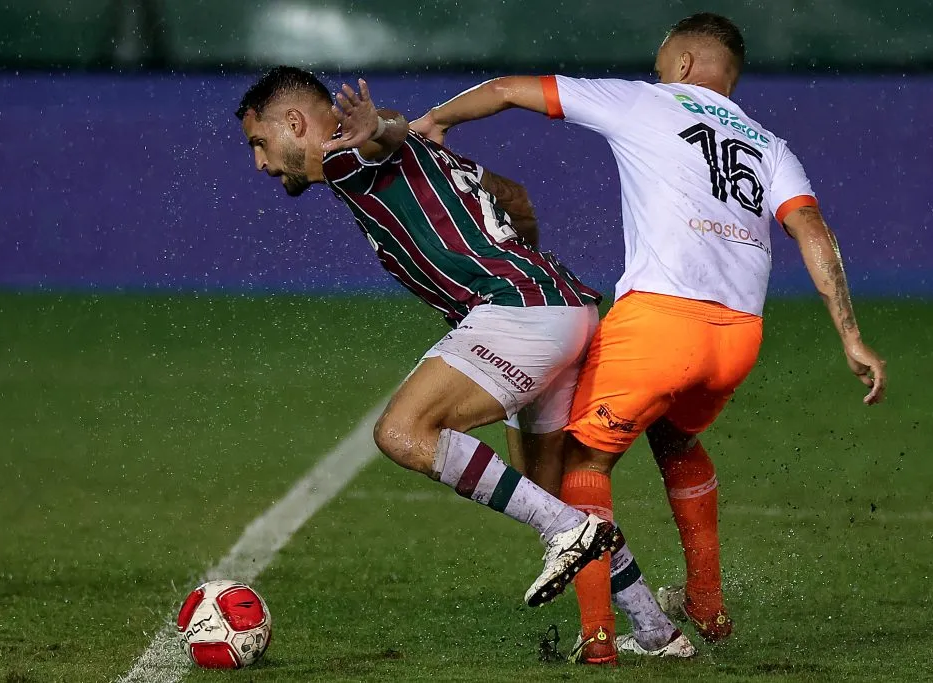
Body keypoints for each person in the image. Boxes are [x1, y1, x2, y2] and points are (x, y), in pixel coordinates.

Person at [412, 12, 888, 665]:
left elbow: (506, 89)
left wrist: (435, 120)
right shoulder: (770, 146)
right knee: (676, 438)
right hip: (738, 339)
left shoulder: (645, 101)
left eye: (663, 60)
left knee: (581, 463)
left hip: (660, 326)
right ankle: (707, 603)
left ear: (685, 63)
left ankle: (599, 636)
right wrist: (851, 335)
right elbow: (812, 229)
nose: (657, 70)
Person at [234, 65, 634, 618]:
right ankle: (657, 630)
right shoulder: (425, 150)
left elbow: (383, 135)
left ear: (296, 123)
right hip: (564, 307)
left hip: (520, 312)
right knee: (548, 488)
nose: (260, 163)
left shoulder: (347, 152)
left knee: (402, 432)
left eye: (259, 142)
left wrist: (380, 128)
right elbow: (515, 198)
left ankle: (567, 530)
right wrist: (521, 271)